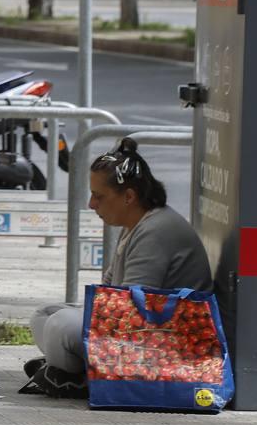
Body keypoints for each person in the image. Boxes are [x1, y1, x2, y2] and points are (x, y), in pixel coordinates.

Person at [25, 138, 212, 397]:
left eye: (99, 196)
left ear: (129, 197)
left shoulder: (156, 231)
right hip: (139, 330)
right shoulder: (137, 224)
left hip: (165, 343)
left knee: (59, 325)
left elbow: (131, 314)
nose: (91, 204)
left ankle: (78, 377)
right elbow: (111, 294)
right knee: (43, 316)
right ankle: (71, 372)